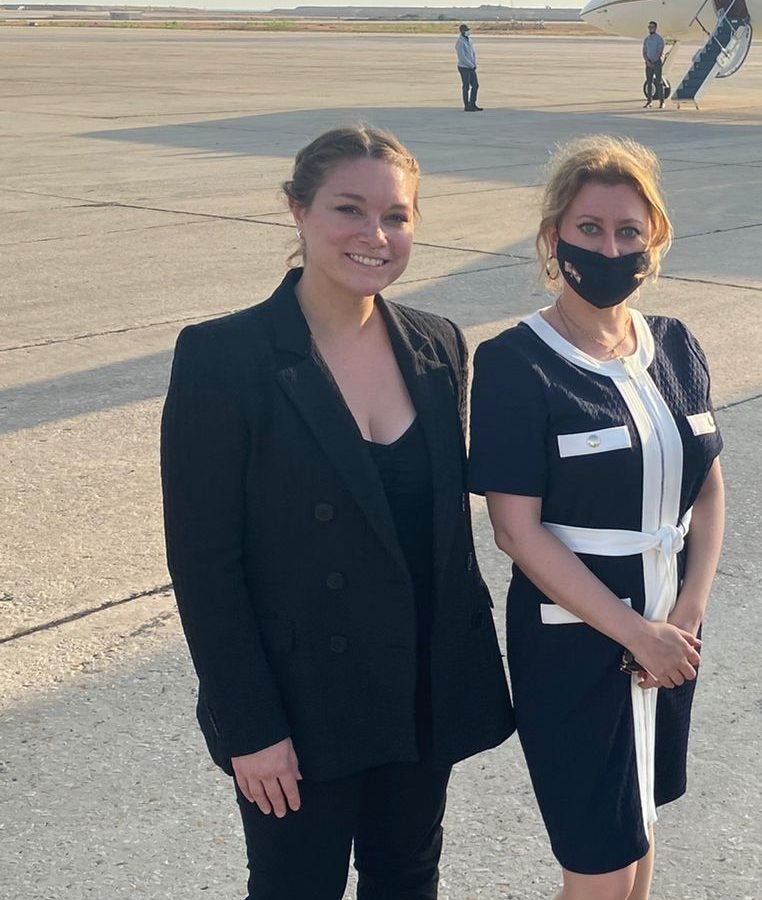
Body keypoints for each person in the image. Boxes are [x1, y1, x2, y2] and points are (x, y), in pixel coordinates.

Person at [160, 125, 515, 899]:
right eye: (349, 210)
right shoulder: (225, 358)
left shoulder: (439, 346)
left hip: (420, 692)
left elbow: (441, 539)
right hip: (298, 705)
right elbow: (203, 565)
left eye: (397, 216)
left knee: (408, 880)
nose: (375, 236)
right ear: (297, 210)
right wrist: (251, 727)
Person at [469, 135, 726, 900]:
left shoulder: (675, 344)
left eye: (628, 232)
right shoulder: (518, 362)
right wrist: (635, 631)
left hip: (671, 635)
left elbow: (709, 490)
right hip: (577, 644)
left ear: (653, 242)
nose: (609, 247)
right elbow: (516, 530)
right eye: (589, 229)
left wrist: (685, 615)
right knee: (601, 860)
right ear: (553, 239)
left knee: (640, 830)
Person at [456, 24, 482, 112]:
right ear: (462, 31)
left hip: (471, 66)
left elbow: (473, 53)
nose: (468, 32)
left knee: (475, 85)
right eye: (466, 30)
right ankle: (467, 105)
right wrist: (470, 65)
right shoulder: (460, 42)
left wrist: (474, 63)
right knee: (466, 86)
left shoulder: (470, 40)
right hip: (464, 67)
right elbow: (462, 56)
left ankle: (473, 103)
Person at [642, 21, 666, 109]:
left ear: (655, 28)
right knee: (649, 82)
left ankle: (662, 101)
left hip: (656, 63)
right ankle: (649, 101)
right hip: (648, 63)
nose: (650, 28)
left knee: (659, 82)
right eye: (649, 27)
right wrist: (647, 61)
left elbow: (660, 52)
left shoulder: (659, 39)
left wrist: (653, 61)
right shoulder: (647, 39)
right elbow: (644, 52)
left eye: (652, 27)